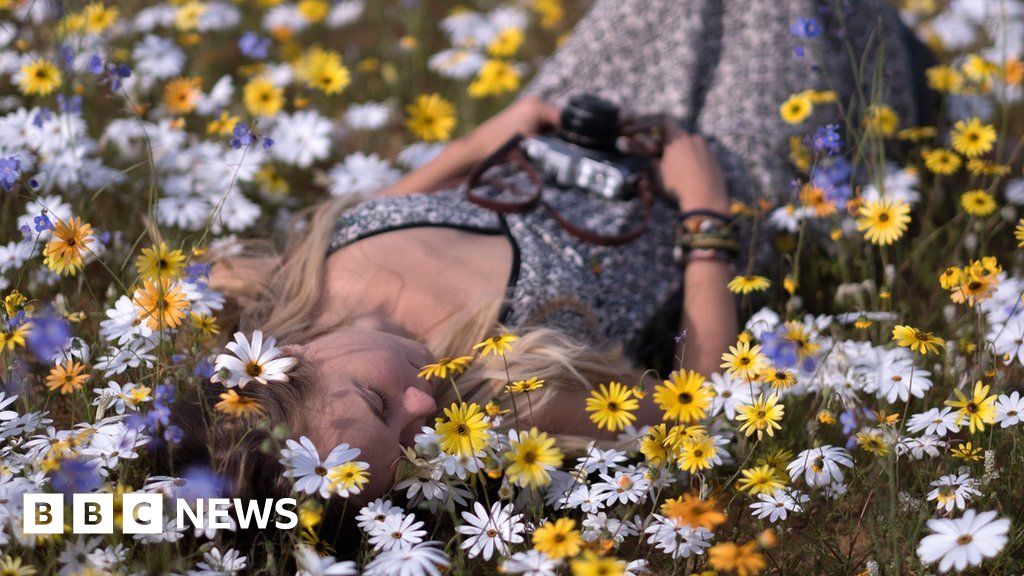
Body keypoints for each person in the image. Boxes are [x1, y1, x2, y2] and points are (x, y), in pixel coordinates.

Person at [168, 0, 925, 511]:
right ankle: (914, 90)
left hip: (566, 133)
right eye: (412, 449)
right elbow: (700, 414)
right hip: (725, 192)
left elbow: (388, 200)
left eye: (378, 402)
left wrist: (499, 131)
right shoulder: (504, 390)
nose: (424, 410)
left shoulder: (304, 276)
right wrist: (704, 220)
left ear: (291, 355)